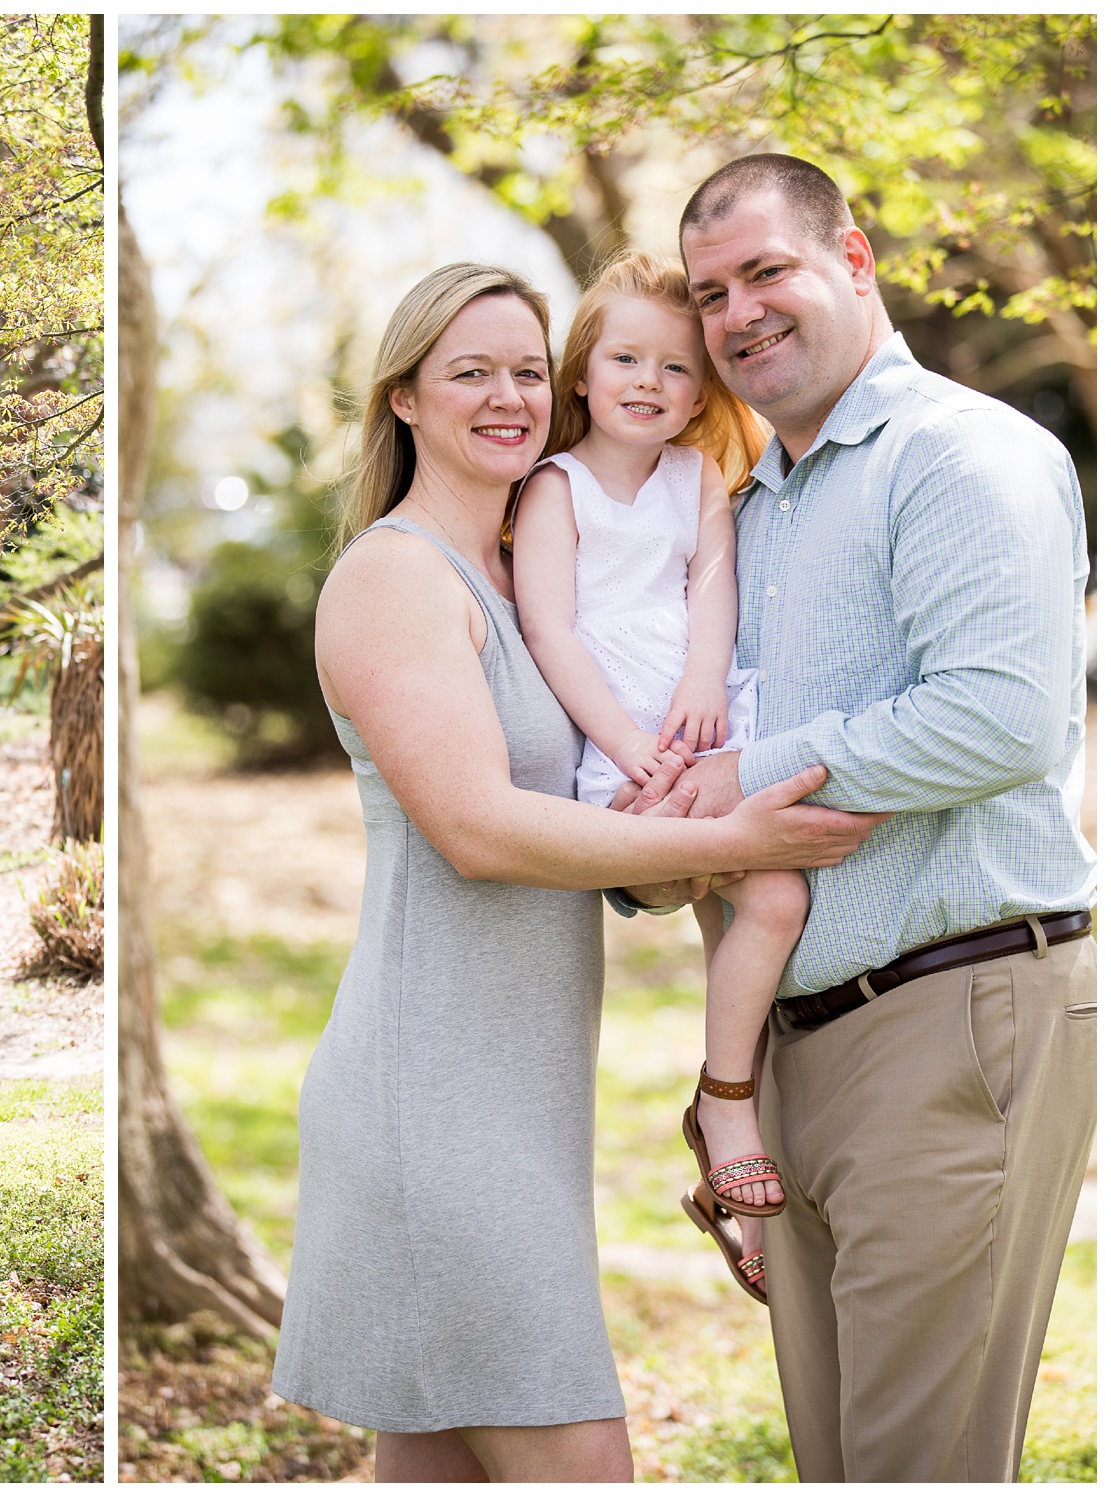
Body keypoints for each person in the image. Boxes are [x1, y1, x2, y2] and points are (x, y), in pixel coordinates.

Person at [268, 262, 885, 1482]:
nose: (505, 397)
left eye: (520, 371)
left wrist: (685, 847)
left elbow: (593, 841)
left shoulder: (521, 573)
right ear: (401, 399)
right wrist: (733, 844)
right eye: (467, 373)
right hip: (432, 1093)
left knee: (434, 1462)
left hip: (517, 1089)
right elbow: (481, 833)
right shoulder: (395, 576)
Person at [610, 152, 1096, 1483]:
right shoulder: (754, 504)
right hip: (795, 1049)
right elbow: (708, 770)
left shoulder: (964, 455)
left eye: (769, 271)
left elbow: (1007, 715)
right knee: (843, 1459)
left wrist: (759, 779)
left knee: (913, 1463)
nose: (739, 314)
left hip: (955, 1012)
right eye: (711, 293)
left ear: (855, 259)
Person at [513, 250, 801, 1302]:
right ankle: (724, 1113)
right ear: (579, 374)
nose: (648, 381)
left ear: (702, 391)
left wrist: (696, 687)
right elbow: (548, 629)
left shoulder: (698, 482)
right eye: (623, 357)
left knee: (765, 911)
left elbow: (712, 600)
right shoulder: (557, 487)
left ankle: (732, 1151)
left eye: (675, 368)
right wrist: (630, 746)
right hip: (620, 748)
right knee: (747, 898)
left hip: (706, 722)